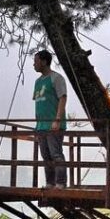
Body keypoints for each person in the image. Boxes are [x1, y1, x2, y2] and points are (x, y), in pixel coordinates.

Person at [32, 49, 67, 188]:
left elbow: (62, 98)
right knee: (46, 156)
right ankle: (50, 182)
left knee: (56, 154)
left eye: (36, 61)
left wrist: (57, 119)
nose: (34, 64)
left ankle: (60, 182)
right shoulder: (37, 82)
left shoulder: (56, 78)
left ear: (44, 62)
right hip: (41, 125)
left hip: (53, 124)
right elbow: (38, 102)